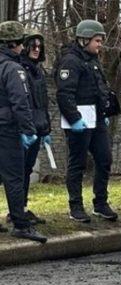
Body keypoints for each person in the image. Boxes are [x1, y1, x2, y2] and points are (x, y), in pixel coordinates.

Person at [57, 19, 118, 222]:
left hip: (96, 119)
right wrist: (74, 119)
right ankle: (75, 206)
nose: (100, 45)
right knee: (78, 163)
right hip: (79, 120)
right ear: (84, 40)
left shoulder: (93, 61)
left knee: (104, 159)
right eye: (97, 41)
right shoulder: (71, 61)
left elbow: (99, 90)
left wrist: (103, 114)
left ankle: (100, 203)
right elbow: (65, 94)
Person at [0, 20, 46, 243]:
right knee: (15, 177)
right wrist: (28, 130)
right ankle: (20, 224)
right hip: (8, 129)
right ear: (14, 44)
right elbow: (20, 101)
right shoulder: (13, 69)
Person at [15, 29, 51, 226]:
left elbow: (42, 104)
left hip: (37, 128)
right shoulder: (19, 69)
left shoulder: (38, 71)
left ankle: (21, 208)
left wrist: (46, 129)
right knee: (17, 171)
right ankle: (16, 211)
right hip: (23, 129)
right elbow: (22, 103)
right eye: (33, 46)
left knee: (27, 169)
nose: (36, 49)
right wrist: (24, 128)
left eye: (39, 46)